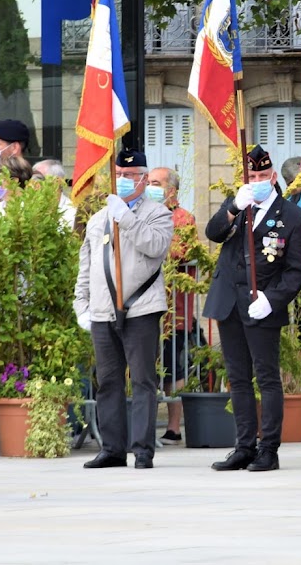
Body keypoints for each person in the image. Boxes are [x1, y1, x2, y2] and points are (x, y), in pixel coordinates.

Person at [204, 146, 301, 472]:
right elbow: (213, 233)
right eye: (252, 176)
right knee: (238, 379)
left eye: (263, 175)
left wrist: (272, 300)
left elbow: (296, 270)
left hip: (260, 304)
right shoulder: (238, 205)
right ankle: (244, 446)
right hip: (228, 302)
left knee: (267, 378)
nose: (258, 181)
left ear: (274, 176)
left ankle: (269, 449)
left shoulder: (294, 217)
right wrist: (233, 208)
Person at [74, 149, 173, 469]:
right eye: (118, 174)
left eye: (130, 175)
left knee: (143, 380)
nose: (123, 180)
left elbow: (155, 247)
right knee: (108, 381)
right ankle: (112, 448)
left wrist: (126, 219)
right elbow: (87, 265)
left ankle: (142, 449)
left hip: (141, 307)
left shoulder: (158, 213)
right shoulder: (98, 219)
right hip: (103, 310)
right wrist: (81, 303)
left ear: (143, 178)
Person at [145, 167, 197, 444]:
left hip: (173, 310)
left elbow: (179, 252)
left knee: (173, 368)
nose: (149, 187)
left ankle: (174, 427)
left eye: (156, 183)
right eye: (148, 182)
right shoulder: (141, 214)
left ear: (171, 190)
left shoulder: (182, 218)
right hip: (143, 307)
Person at [32, 159, 77, 228]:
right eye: (32, 180)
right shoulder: (27, 208)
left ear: (57, 182)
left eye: (39, 179)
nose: (34, 185)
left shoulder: (72, 212)